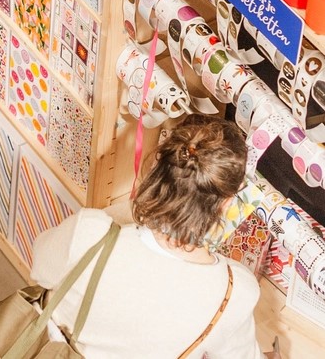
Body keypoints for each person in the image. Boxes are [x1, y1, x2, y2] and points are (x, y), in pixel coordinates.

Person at [29, 115, 265, 359]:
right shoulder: (234, 292)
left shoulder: (90, 233)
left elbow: (39, 270)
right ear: (226, 204)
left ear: (156, 166)